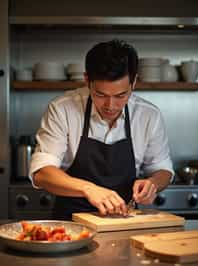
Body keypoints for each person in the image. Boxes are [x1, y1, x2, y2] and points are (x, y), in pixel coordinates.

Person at [29, 39, 174, 219]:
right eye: (100, 94)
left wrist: (153, 183)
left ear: (134, 82)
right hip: (71, 222)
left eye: (121, 95)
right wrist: (88, 189)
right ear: (87, 80)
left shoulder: (148, 115)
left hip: (125, 221)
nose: (110, 105)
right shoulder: (62, 109)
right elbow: (41, 173)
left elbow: (163, 169)